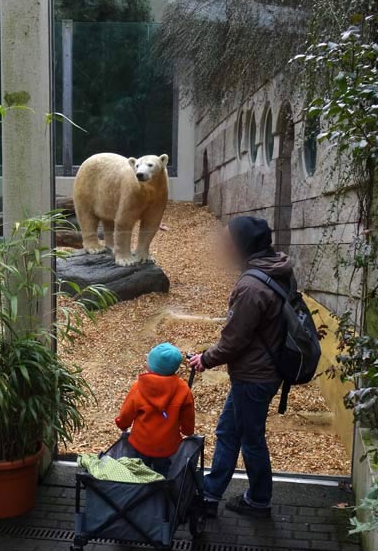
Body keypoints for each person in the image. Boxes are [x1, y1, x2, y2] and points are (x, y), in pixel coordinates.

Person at [189, 216, 294, 519]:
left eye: (227, 240)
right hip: (262, 371)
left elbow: (234, 340)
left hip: (255, 375)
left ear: (242, 245)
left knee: (251, 440)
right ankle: (210, 494)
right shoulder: (276, 268)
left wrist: (205, 358)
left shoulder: (250, 287)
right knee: (229, 431)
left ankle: (259, 500)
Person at [115, 343, 195, 476]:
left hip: (141, 443)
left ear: (150, 366)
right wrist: (187, 431)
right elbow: (188, 417)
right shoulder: (183, 389)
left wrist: (122, 424)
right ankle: (160, 490)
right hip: (167, 446)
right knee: (162, 471)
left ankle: (142, 491)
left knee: (139, 471)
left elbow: (127, 412)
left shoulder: (138, 387)